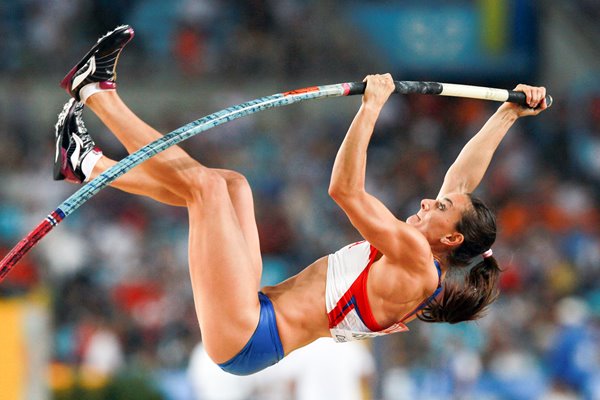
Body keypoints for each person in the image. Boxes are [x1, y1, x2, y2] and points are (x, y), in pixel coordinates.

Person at [54, 25, 549, 376]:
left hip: (248, 335)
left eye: (440, 209)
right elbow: (462, 180)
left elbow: (344, 191)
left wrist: (370, 108)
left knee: (204, 189)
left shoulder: (417, 262)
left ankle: (97, 94)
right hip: (256, 314)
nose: (429, 201)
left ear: (451, 237)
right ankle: (88, 163)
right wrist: (508, 114)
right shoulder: (425, 247)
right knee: (229, 185)